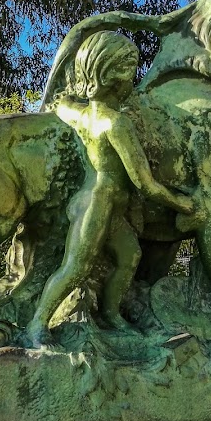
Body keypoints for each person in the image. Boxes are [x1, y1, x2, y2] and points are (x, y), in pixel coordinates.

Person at [26, 31, 194, 346]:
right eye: (130, 72)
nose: (134, 80)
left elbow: (61, 106)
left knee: (130, 255)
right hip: (98, 203)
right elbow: (145, 184)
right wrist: (184, 204)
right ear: (115, 79)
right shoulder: (116, 125)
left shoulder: (80, 113)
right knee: (74, 267)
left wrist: (63, 101)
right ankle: (36, 325)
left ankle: (111, 314)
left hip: (106, 203)